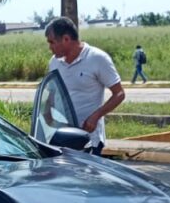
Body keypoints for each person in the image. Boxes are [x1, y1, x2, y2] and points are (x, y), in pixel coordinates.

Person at [44, 17, 125, 155]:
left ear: (66, 39)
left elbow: (119, 94)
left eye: (52, 42)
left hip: (89, 141)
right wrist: (47, 115)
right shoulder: (54, 63)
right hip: (61, 140)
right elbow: (51, 93)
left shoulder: (97, 58)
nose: (50, 47)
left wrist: (95, 116)